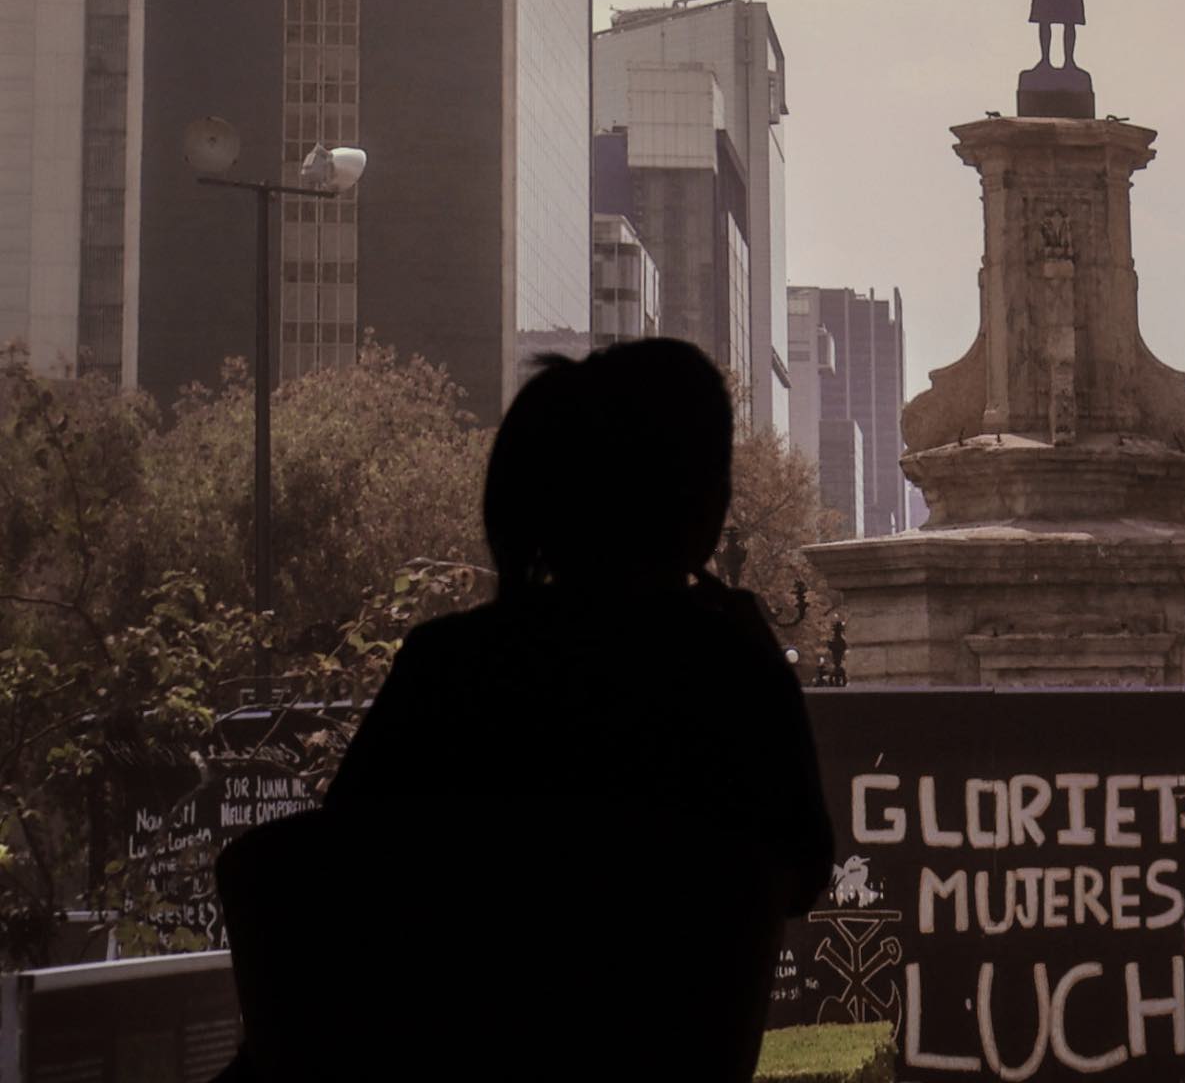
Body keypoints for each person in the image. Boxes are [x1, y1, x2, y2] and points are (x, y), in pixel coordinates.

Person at [216, 339, 833, 1081]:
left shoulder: (451, 664)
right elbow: (804, 871)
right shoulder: (732, 671)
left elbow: (332, 879)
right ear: (696, 499)